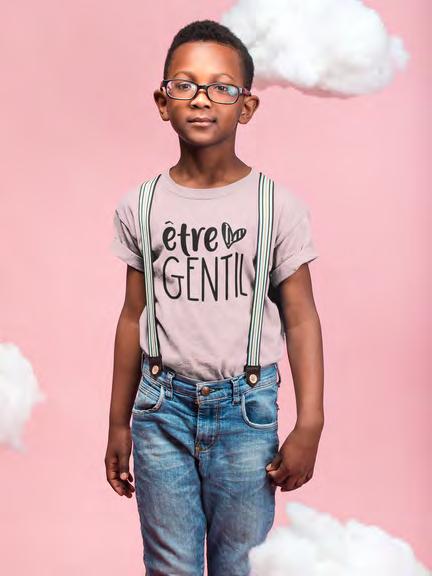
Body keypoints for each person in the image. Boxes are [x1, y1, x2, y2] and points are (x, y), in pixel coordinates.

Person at [104, 18, 324, 576]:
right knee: (170, 565)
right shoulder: (141, 206)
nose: (202, 99)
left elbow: (301, 319)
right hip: (160, 410)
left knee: (241, 564)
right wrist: (117, 423)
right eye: (185, 84)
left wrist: (311, 422)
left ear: (246, 107)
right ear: (163, 102)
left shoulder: (276, 207)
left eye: (222, 87)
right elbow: (133, 317)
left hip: (246, 412)